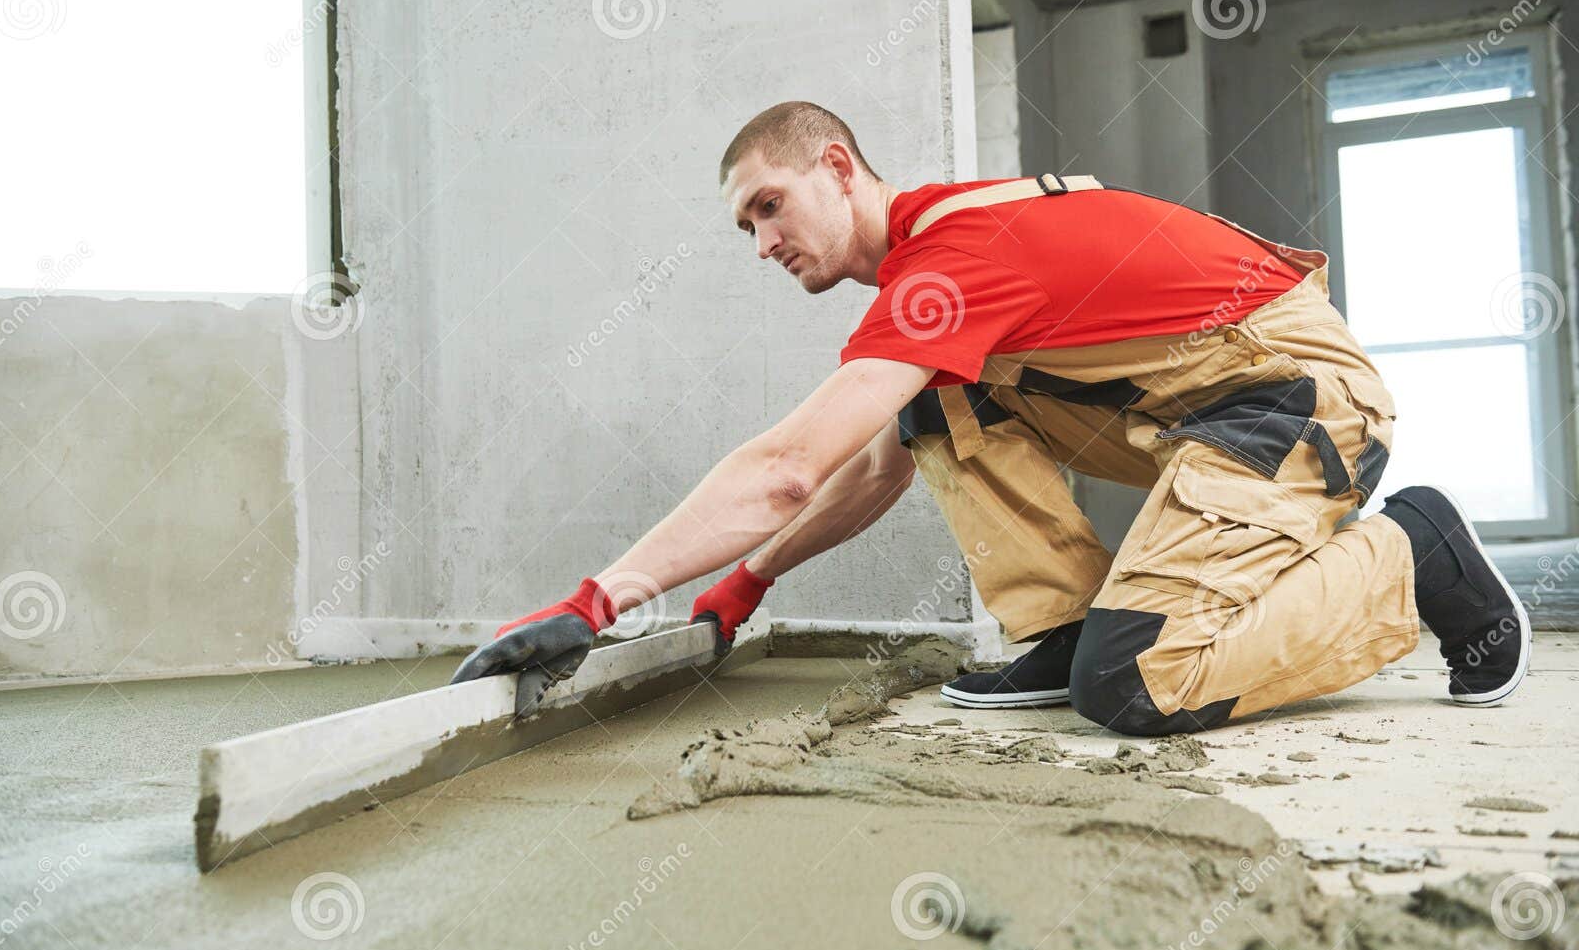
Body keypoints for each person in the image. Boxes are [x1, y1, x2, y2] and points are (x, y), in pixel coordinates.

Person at [452, 101, 1528, 734]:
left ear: (837, 167)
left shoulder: (952, 261)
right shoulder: (927, 284)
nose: (762, 241)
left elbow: (789, 467)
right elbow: (869, 471)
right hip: (1197, 400)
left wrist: (598, 601)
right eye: (743, 227)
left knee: (1139, 681)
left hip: (1290, 395)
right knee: (934, 396)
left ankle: (1413, 550)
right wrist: (742, 584)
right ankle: (1060, 626)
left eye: (768, 206)